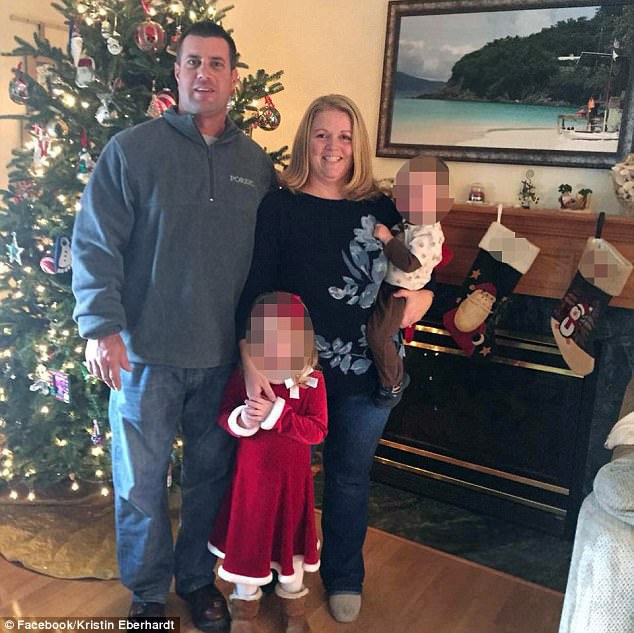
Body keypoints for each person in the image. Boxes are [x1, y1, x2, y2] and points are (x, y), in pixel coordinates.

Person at [71, 21, 275, 628]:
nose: (203, 74)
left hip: (221, 358)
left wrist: (261, 349)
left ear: (233, 77)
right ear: (177, 72)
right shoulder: (132, 151)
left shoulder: (255, 165)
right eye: (193, 62)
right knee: (140, 484)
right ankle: (148, 593)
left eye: (216, 64)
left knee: (210, 478)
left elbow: (268, 264)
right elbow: (95, 243)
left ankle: (196, 580)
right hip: (144, 356)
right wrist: (101, 328)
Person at [235, 94, 435, 623]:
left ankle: (345, 575)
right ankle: (275, 573)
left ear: (357, 144)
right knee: (285, 479)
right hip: (294, 377)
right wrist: (250, 362)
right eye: (322, 134)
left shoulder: (382, 208)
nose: (333, 146)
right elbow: (256, 290)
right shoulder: (279, 206)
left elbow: (420, 270)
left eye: (344, 136)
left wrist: (426, 299)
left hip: (368, 374)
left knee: (349, 477)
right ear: (307, 140)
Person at [208, 292, 327, 633]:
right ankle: (244, 610)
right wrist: (243, 419)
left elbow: (317, 431)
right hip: (252, 485)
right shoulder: (245, 377)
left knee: (292, 551)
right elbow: (224, 415)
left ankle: (295, 611)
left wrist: (278, 415)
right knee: (249, 543)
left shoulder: (313, 381)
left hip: (292, 489)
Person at [368, 156, 452, 408]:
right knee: (378, 332)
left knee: (379, 335)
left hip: (398, 292)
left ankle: (393, 382)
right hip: (390, 287)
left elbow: (413, 262)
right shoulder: (410, 221)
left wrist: (428, 293)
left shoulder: (427, 230)